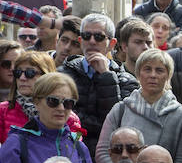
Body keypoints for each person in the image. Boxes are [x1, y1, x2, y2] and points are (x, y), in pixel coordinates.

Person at [95, 48, 182, 163]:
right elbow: (102, 151)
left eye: (159, 70)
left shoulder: (180, 114)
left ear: (168, 75)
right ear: (138, 73)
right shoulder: (121, 109)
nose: (153, 75)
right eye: (147, 69)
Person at [58, 14, 139, 155]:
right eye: (86, 36)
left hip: (109, 153)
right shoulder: (63, 74)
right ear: (80, 40)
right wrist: (98, 125)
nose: (92, 41)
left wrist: (106, 76)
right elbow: (61, 116)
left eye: (99, 37)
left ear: (112, 44)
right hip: (68, 150)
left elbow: (118, 121)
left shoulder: (127, 80)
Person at [0, 50, 84, 144]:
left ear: (46, 76)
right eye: (18, 73)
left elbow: (74, 154)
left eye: (30, 73)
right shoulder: (2, 110)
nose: (22, 78)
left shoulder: (66, 116)